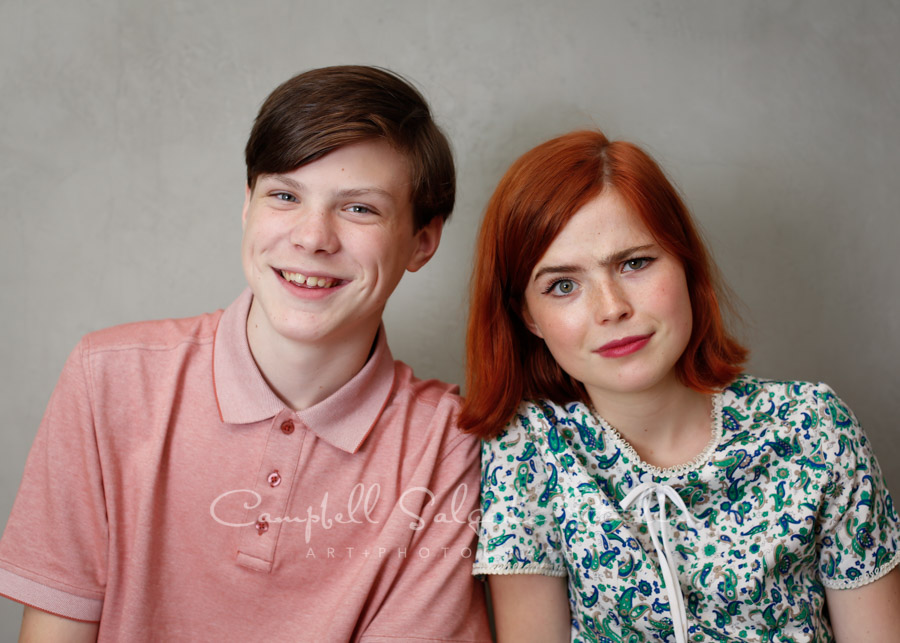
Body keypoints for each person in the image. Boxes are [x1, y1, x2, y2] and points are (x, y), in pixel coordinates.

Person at [0, 65, 490, 642]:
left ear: (422, 241)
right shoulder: (107, 378)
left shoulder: (449, 445)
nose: (312, 237)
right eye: (284, 195)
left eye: (359, 208)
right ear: (247, 207)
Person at [459, 129, 900, 642]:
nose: (611, 308)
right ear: (528, 318)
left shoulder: (814, 427)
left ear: (686, 264)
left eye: (635, 263)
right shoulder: (529, 448)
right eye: (563, 285)